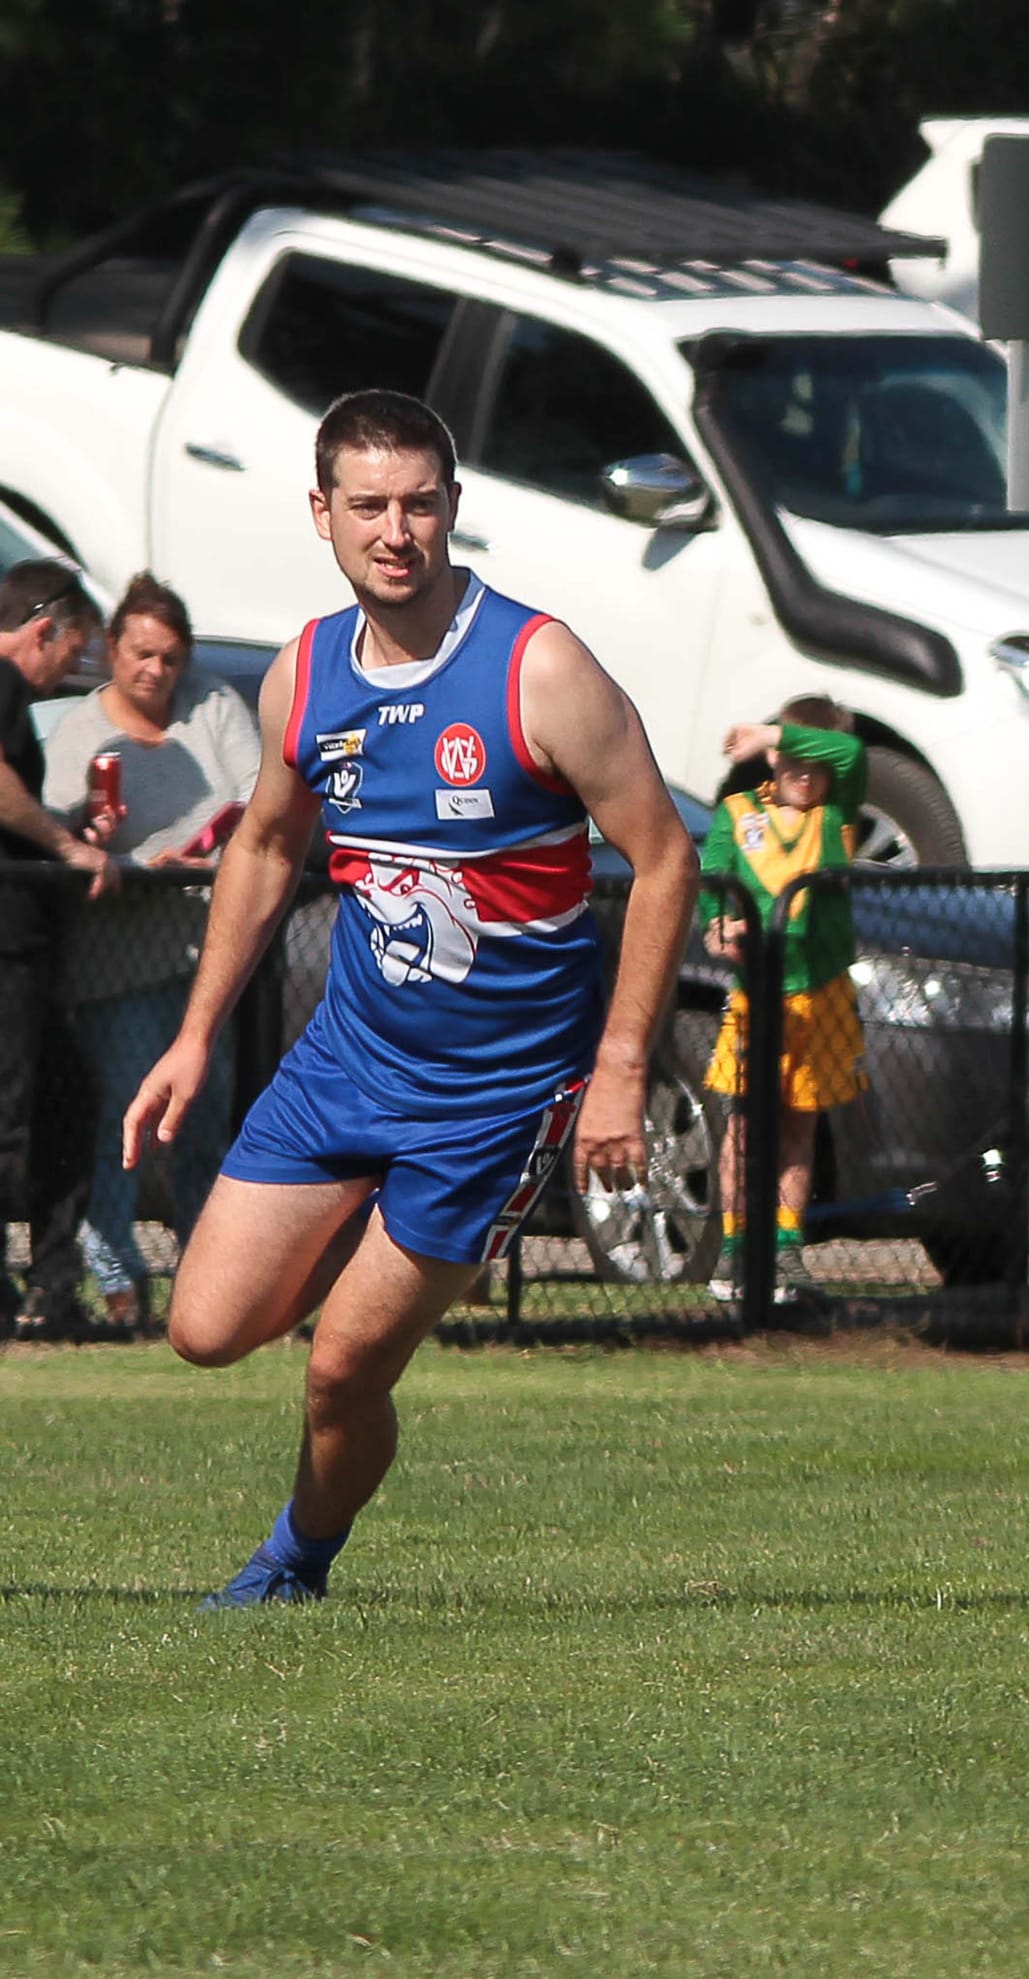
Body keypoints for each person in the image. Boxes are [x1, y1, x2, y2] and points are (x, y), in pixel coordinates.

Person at [124, 388, 700, 1605]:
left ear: (453, 509)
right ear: (321, 515)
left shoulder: (537, 667)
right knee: (206, 1327)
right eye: (370, 505)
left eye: (421, 503)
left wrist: (622, 1065)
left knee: (340, 1371)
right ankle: (374, 1267)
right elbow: (269, 847)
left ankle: (296, 1557)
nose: (398, 530)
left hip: (493, 1096)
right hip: (345, 1063)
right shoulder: (303, 673)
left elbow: (663, 853)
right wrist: (192, 1036)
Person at [43, 573, 261, 1330]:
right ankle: (120, 1284)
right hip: (121, 965)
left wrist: (208, 852)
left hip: (205, 960)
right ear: (112, 649)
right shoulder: (82, 731)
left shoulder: (212, 705)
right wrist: (125, 851)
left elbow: (261, 797)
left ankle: (211, 1279)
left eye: (169, 658)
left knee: (205, 1126)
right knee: (123, 1129)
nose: (155, 672)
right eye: (140, 654)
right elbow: (64, 830)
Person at [698, 695, 867, 1304]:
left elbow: (850, 753)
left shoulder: (835, 816)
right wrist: (717, 923)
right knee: (745, 1122)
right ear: (771, 759)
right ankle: (736, 1247)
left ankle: (788, 1251)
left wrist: (776, 732)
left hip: (819, 997)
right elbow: (713, 873)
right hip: (757, 996)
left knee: (800, 1125)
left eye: (811, 760)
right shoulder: (738, 810)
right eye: (789, 758)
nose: (803, 772)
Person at [0, 559, 113, 1334]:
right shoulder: (5, 683)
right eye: (70, 654)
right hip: (9, 948)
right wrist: (66, 850)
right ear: (42, 629)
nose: (68, 671)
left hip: (23, 941)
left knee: (65, 1097)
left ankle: (51, 1282)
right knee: (19, 1110)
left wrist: (65, 833)